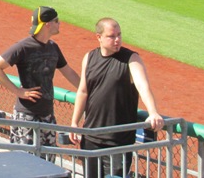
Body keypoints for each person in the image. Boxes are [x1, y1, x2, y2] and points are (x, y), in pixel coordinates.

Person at [70, 18, 164, 178]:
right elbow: (83, 91)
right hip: (91, 137)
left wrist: (153, 111)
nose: (117, 40)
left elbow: (143, 86)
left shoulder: (131, 59)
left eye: (119, 35)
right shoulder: (90, 57)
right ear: (98, 37)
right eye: (111, 36)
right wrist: (74, 122)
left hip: (118, 141)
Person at [0, 7, 80, 157]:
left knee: (48, 162)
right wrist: (18, 92)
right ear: (47, 25)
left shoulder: (53, 48)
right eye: (56, 21)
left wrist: (87, 91)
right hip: (26, 116)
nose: (60, 23)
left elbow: (69, 72)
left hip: (47, 115)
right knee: (25, 162)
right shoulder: (23, 47)